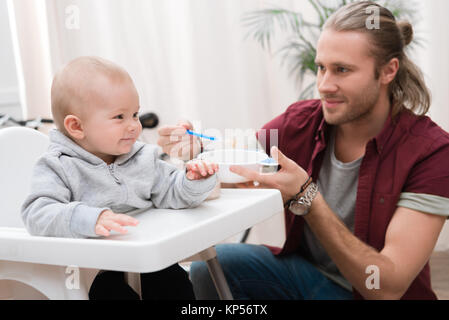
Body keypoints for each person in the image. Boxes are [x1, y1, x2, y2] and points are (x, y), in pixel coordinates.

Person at [157, 1, 449, 300]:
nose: (324, 85)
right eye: (321, 67)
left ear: (388, 71)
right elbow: (238, 156)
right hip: (311, 278)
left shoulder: (431, 152)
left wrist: (308, 198)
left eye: (342, 70)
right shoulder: (301, 122)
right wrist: (197, 150)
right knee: (209, 266)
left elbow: (387, 286)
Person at [21, 56, 219, 300]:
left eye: (135, 114)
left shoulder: (143, 158)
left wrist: (193, 180)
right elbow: (37, 213)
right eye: (119, 117)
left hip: (145, 260)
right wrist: (88, 218)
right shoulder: (57, 166)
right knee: (111, 292)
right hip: (91, 271)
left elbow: (172, 192)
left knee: (174, 282)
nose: (134, 126)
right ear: (76, 126)